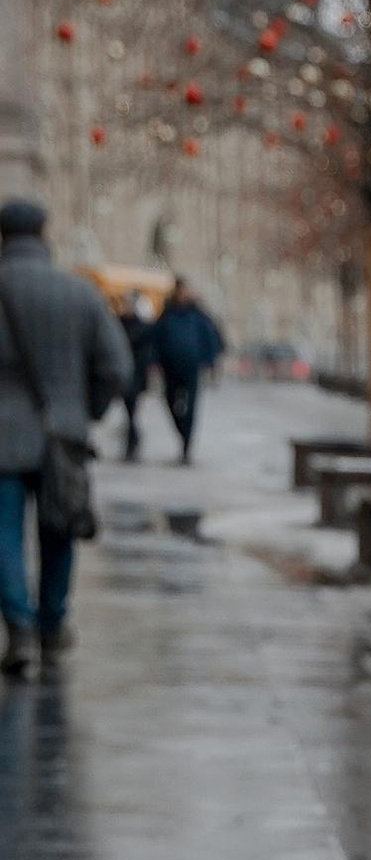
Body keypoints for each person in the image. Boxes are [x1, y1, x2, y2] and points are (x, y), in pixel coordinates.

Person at [0, 198, 130, 679]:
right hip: (62, 431)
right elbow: (117, 367)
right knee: (59, 528)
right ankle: (52, 626)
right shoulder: (78, 292)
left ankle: (18, 625)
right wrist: (85, 409)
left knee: (3, 535)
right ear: (44, 232)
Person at [153, 276, 226, 462]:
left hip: (192, 368)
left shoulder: (199, 316)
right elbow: (156, 338)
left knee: (191, 407)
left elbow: (212, 338)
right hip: (170, 367)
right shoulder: (167, 314)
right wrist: (154, 361)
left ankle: (186, 443)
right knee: (170, 401)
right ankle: (182, 431)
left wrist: (209, 361)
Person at [116, 291, 157, 459]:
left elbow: (148, 351)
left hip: (137, 374)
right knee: (129, 409)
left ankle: (132, 440)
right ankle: (132, 439)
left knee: (132, 408)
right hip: (123, 372)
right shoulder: (117, 324)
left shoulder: (142, 326)